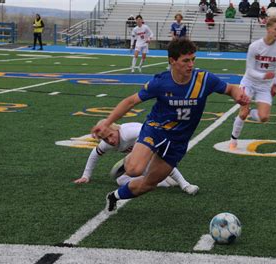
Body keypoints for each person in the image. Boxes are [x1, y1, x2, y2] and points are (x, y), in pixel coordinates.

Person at [92, 38, 250, 212]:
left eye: (193, 60)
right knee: (134, 169)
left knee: (150, 184)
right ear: (172, 61)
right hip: (156, 130)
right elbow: (131, 101)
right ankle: (130, 158)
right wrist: (107, 123)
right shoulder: (161, 82)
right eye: (186, 60)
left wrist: (238, 95)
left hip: (179, 141)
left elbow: (230, 88)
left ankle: (114, 196)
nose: (191, 65)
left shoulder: (204, 79)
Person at [74, 121, 199, 195]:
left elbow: (152, 133)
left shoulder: (130, 133)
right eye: (105, 138)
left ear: (116, 129)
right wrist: (86, 176)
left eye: (111, 135)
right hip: (137, 153)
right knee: (120, 181)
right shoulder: (107, 143)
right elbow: (94, 154)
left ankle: (185, 185)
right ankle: (162, 181)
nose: (110, 140)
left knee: (156, 161)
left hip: (153, 140)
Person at [229, 16, 276, 150]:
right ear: (268, 29)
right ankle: (233, 139)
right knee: (242, 113)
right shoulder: (255, 46)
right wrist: (264, 75)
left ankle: (250, 112)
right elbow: (249, 70)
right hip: (249, 82)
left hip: (265, 86)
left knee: (264, 117)